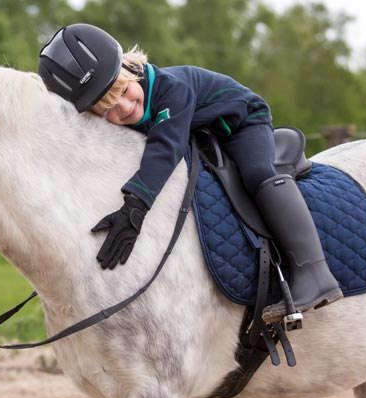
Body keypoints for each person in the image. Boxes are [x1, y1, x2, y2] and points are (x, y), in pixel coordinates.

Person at [37, 23, 342, 320]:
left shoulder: (173, 90)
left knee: (256, 172)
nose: (125, 108)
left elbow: (165, 147)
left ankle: (314, 271)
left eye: (124, 91)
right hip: (202, 134)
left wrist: (136, 205)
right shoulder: (131, 109)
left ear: (131, 70)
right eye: (109, 110)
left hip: (241, 123)